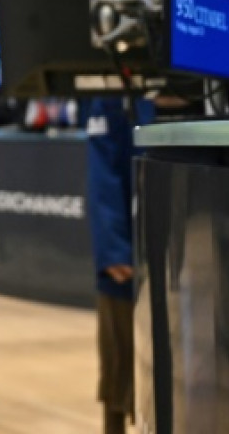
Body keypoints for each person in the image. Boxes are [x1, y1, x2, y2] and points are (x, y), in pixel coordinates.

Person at [85, 95, 152, 434]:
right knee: (118, 368)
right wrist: (114, 251)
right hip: (124, 263)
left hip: (172, 252)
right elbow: (103, 178)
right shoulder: (111, 101)